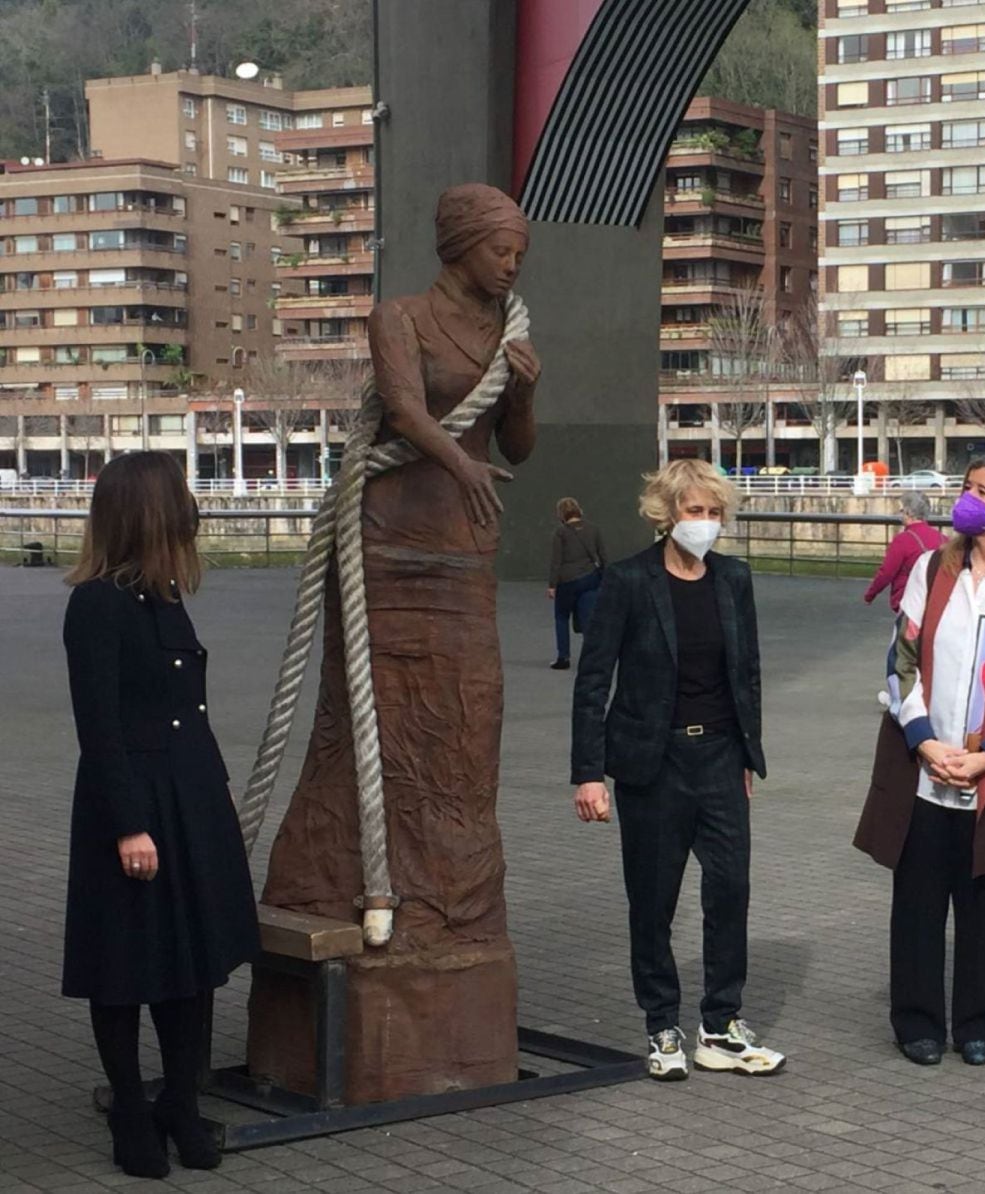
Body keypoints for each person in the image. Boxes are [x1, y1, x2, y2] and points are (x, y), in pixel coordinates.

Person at [253, 184, 541, 1102]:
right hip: (386, 549)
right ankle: (363, 887)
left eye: (519, 254)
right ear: (461, 246)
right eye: (501, 251)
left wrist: (524, 393)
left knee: (467, 727)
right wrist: (462, 462)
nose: (512, 265)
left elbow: (519, 448)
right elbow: (412, 415)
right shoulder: (402, 317)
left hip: (464, 556)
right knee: (372, 724)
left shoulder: (508, 334)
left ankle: (450, 910)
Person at [62, 452, 260, 1178]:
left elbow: (189, 711)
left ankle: (180, 1099)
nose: (190, 511)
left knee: (191, 962)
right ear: (146, 511)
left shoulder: (163, 597)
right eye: (177, 499)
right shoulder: (97, 604)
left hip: (191, 795)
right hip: (136, 805)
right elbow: (100, 725)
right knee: (124, 966)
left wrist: (221, 785)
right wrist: (128, 824)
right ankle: (129, 1110)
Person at [571, 458, 785, 1081]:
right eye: (696, 511)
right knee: (653, 900)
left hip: (721, 757)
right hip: (653, 764)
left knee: (730, 890)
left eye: (715, 513)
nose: (707, 524)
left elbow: (747, 673)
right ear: (667, 515)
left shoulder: (733, 579)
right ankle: (662, 1024)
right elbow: (593, 682)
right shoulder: (629, 581)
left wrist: (749, 755)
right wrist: (589, 773)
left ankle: (720, 1025)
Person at [854, 455, 985, 1067]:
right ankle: (916, 1019)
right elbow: (901, 658)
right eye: (966, 488)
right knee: (916, 897)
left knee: (982, 900)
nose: (966, 500)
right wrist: (922, 739)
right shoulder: (932, 568)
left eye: (980, 491)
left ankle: (978, 1022)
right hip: (924, 764)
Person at [547, 496, 606, 669]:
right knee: (589, 620)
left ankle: (563, 658)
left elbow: (556, 561)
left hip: (567, 581)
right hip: (590, 578)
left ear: (561, 514)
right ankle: (592, 659)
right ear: (579, 510)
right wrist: (606, 578)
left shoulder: (561, 532)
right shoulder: (594, 529)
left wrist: (552, 585)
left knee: (561, 617)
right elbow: (603, 556)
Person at [864, 492, 946, 613]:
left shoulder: (902, 540)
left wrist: (870, 595)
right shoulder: (944, 539)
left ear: (908, 513)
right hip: (937, 604)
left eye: (901, 510)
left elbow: (886, 573)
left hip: (910, 604)